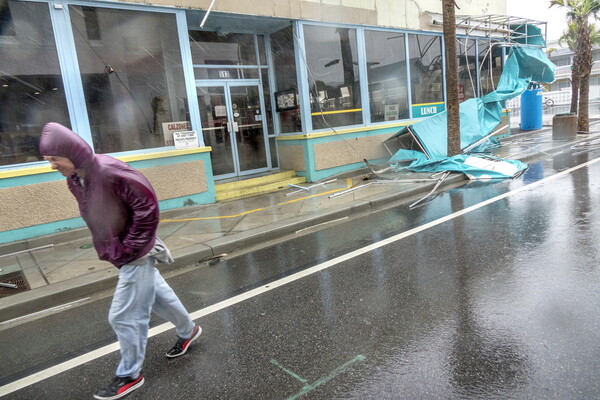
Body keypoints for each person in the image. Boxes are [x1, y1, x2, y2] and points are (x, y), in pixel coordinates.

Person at [39, 122, 202, 400]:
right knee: (160, 296)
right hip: (120, 249)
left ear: (71, 153)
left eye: (55, 158)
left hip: (133, 252)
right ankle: (189, 331)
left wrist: (132, 248)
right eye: (49, 160)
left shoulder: (107, 171)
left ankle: (129, 375)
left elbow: (147, 206)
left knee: (124, 316)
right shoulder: (76, 177)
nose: (52, 165)